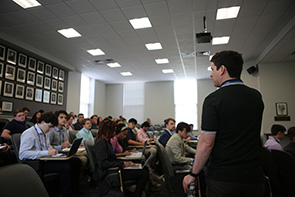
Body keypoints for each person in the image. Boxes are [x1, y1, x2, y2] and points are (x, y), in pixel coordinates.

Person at [183, 50, 265, 197]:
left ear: (222, 69)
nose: (210, 74)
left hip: (224, 179)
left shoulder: (213, 100)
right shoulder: (256, 96)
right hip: (254, 177)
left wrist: (193, 174)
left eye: (212, 69)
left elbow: (206, 144)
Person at [19, 112, 81, 196]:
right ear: (43, 122)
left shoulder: (45, 133)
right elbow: (23, 154)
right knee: (65, 167)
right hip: (36, 163)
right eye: (50, 126)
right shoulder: (29, 133)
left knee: (76, 161)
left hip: (46, 159)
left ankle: (74, 189)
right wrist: (47, 152)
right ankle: (66, 193)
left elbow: (47, 146)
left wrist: (52, 150)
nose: (51, 129)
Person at [93, 118, 149, 197]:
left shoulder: (106, 141)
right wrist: (122, 164)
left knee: (143, 170)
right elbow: (103, 163)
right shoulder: (101, 143)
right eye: (114, 130)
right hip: (110, 172)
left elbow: (110, 159)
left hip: (115, 168)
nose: (115, 132)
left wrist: (125, 163)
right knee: (144, 174)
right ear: (108, 130)